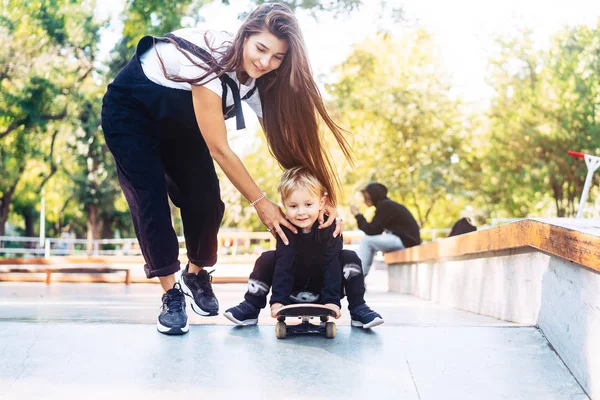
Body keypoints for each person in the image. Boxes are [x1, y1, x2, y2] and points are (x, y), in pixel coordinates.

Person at [101, 3, 352, 335]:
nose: (265, 62)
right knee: (151, 201)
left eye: (277, 57)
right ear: (245, 35)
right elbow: (220, 148)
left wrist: (322, 198)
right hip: (131, 112)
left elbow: (285, 145)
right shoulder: (210, 58)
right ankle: (171, 295)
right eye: (261, 48)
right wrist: (261, 203)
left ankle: (195, 274)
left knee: (207, 200)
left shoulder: (260, 81)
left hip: (182, 121)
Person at [224, 167, 384, 329]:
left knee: (349, 257)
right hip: (293, 291)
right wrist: (278, 300)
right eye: (293, 206)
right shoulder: (285, 229)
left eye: (308, 204)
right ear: (284, 204)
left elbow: (332, 264)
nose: (301, 212)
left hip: (323, 292)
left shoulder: (330, 227)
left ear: (321, 203)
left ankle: (358, 308)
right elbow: (283, 265)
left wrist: (331, 301)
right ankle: (251, 306)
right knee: (267, 258)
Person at [349, 183, 421, 277]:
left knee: (366, 241)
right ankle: (359, 278)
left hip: (406, 241)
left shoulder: (385, 205)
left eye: (366, 197)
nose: (364, 200)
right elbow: (375, 230)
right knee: (368, 240)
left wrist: (357, 215)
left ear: (373, 195)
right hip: (406, 240)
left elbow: (372, 230)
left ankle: (358, 278)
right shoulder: (385, 205)